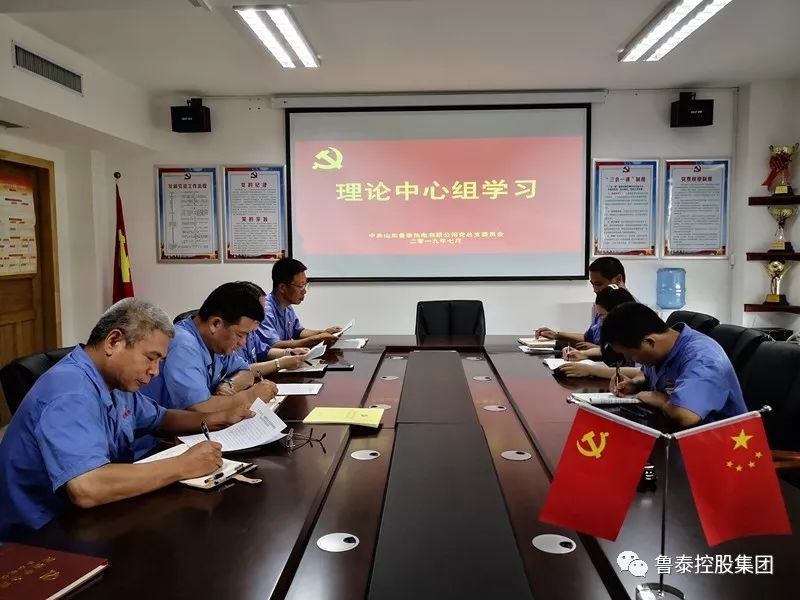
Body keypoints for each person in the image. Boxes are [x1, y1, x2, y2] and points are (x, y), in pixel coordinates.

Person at [0, 298, 254, 541]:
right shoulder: (69, 392)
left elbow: (160, 418)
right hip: (41, 538)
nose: (155, 371)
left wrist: (219, 418)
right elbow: (87, 487)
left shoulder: (114, 382)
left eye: (160, 361)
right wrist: (184, 465)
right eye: (150, 358)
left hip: (96, 518)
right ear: (114, 341)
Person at [601, 302, 746, 427]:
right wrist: (634, 384)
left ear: (649, 342)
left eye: (630, 354)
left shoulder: (702, 357)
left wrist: (657, 398)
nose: (629, 359)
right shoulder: (665, 348)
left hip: (723, 442)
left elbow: (686, 415)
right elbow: (646, 374)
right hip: (675, 431)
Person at [142, 282, 279, 413]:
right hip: (159, 429)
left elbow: (246, 372)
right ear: (215, 324)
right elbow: (199, 408)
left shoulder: (216, 343)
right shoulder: (183, 344)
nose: (243, 343)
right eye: (240, 335)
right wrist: (250, 396)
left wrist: (229, 384)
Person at [534, 257, 628, 349]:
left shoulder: (630, 311)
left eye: (599, 284)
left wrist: (598, 350)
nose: (595, 290)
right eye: (593, 284)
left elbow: (625, 351)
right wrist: (556, 335)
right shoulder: (604, 305)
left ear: (618, 280)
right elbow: (588, 338)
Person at [255, 258, 342, 350]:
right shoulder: (265, 310)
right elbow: (274, 346)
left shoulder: (287, 307)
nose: (304, 291)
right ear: (282, 287)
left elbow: (299, 332)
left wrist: (324, 332)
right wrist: (315, 339)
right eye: (301, 286)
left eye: (305, 285)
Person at [558, 285, 642, 380]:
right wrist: (582, 354)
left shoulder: (640, 335)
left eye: (602, 316)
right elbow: (608, 350)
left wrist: (591, 370)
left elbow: (640, 372)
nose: (600, 322)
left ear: (619, 314)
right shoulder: (620, 333)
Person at [233, 281, 309, 377]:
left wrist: (289, 352)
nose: (263, 315)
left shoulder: (251, 331)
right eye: (261, 310)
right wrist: (279, 363)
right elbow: (240, 371)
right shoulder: (231, 337)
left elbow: (264, 351)